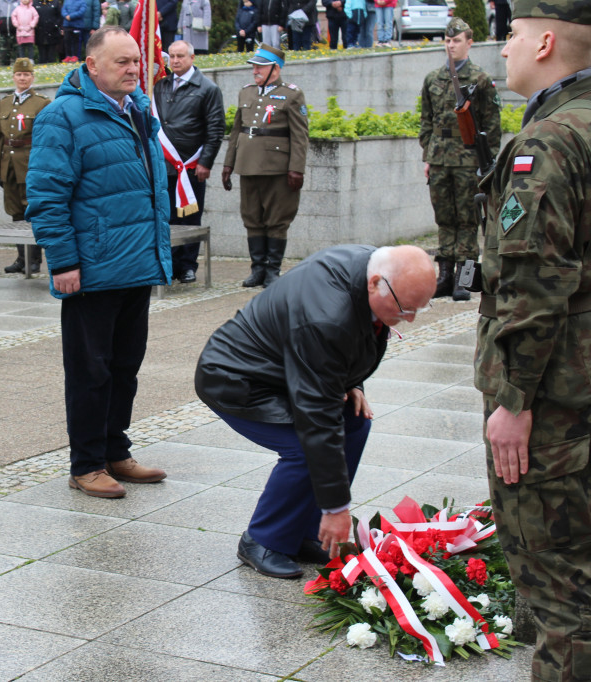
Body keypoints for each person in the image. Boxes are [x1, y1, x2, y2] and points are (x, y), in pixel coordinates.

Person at [196, 244, 435, 578]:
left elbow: (349, 340)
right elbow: (317, 418)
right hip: (238, 378)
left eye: (418, 308)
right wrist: (336, 507)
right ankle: (262, 540)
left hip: (289, 368)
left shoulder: (374, 267)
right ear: (376, 282)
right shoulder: (327, 316)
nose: (409, 318)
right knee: (303, 446)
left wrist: (353, 382)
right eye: (404, 308)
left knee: (354, 422)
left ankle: (307, 533)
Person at [475, 0, 591, 677]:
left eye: (512, 36)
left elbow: (532, 282)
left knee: (561, 590)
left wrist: (512, 402)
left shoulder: (550, 140)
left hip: (555, 398)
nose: (505, 50)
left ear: (546, 41)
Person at [26, 26, 171, 499]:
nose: (133, 69)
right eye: (121, 62)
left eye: (136, 62)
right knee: (91, 372)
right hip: (92, 269)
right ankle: (85, 463)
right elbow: (47, 195)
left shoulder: (139, 109)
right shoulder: (63, 116)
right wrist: (63, 261)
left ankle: (115, 451)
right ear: (91, 66)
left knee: (125, 366)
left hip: (136, 263)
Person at [419, 17, 500, 301]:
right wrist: (427, 156)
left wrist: (486, 162)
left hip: (468, 159)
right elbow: (426, 121)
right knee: (444, 218)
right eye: (448, 40)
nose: (451, 45)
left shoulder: (479, 79)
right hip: (440, 158)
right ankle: (444, 276)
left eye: (457, 40)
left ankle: (464, 280)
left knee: (467, 220)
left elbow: (492, 124)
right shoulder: (433, 78)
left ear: (469, 42)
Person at [222, 45, 309, 289]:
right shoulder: (246, 93)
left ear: (275, 68)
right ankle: (257, 269)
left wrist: (297, 168)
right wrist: (228, 164)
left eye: (260, 66)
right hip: (248, 165)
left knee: (277, 219)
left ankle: (273, 270)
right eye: (254, 66)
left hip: (277, 167)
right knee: (252, 217)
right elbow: (236, 131)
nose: (255, 71)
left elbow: (300, 135)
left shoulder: (291, 94)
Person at [153, 40, 225, 284]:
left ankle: (187, 265)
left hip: (192, 166)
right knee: (168, 216)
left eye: (180, 56)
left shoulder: (208, 88)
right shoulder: (160, 86)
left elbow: (215, 129)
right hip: (165, 166)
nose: (175, 61)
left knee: (190, 217)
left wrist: (206, 162)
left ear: (192, 58)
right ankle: (169, 263)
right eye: (171, 56)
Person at [0, 57, 49, 273]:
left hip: (30, 166)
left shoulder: (42, 103)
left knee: (32, 212)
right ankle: (21, 258)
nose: (22, 78)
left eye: (26, 75)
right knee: (15, 212)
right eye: (19, 74)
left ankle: (34, 259)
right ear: (14, 77)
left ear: (32, 77)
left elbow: (45, 139)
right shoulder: (5, 103)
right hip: (9, 166)